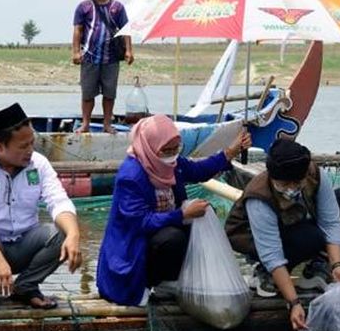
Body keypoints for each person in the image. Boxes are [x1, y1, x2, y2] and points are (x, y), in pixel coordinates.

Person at [96, 115, 250, 306]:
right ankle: (148, 283)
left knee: (197, 227)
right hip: (135, 246)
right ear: (150, 147)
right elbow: (140, 222)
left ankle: (168, 282)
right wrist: (182, 215)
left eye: (175, 149)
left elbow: (198, 170)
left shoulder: (171, 164)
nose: (171, 154)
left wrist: (230, 152)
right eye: (166, 150)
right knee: (173, 238)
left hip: (162, 231)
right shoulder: (131, 176)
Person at [0, 103, 82, 315]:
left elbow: (58, 200)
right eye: (23, 147)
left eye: (32, 143)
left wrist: (74, 234)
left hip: (23, 245)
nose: (30, 151)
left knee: (62, 232)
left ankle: (26, 287)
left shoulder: (39, 164)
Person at [224, 139, 340, 330]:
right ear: (273, 177)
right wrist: (294, 303)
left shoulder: (315, 174)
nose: (292, 188)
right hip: (253, 239)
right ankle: (265, 273)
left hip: (294, 223)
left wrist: (337, 264)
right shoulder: (259, 196)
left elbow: (331, 221)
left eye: (297, 182)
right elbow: (271, 252)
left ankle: (320, 265)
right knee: (309, 237)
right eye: (285, 183)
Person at [71, 0, 133, 133]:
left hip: (111, 58)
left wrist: (129, 50)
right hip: (90, 57)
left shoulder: (117, 7)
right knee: (88, 93)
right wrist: (76, 52)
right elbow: (78, 30)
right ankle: (85, 124)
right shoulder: (83, 7)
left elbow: (126, 29)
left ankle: (107, 123)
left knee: (109, 93)